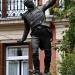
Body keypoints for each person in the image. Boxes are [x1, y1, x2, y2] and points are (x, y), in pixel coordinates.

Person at [18, 0, 56, 75]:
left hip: (45, 32)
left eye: (31, 2)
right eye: (28, 2)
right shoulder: (25, 15)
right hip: (35, 34)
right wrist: (22, 39)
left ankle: (46, 71)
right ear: (26, 5)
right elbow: (26, 29)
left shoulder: (40, 8)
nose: (30, 3)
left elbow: (50, 3)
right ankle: (37, 70)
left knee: (48, 52)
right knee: (35, 52)